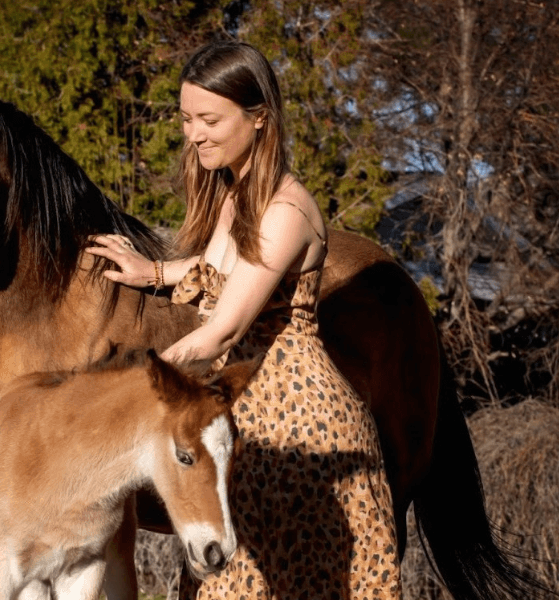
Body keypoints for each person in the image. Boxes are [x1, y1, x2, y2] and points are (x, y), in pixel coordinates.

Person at [85, 40, 402, 600]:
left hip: (294, 420)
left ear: (259, 119)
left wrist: (130, 392)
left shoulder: (286, 209)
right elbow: (221, 269)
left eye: (209, 119)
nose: (193, 134)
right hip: (243, 407)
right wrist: (152, 270)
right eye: (186, 118)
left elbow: (224, 330)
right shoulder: (233, 194)